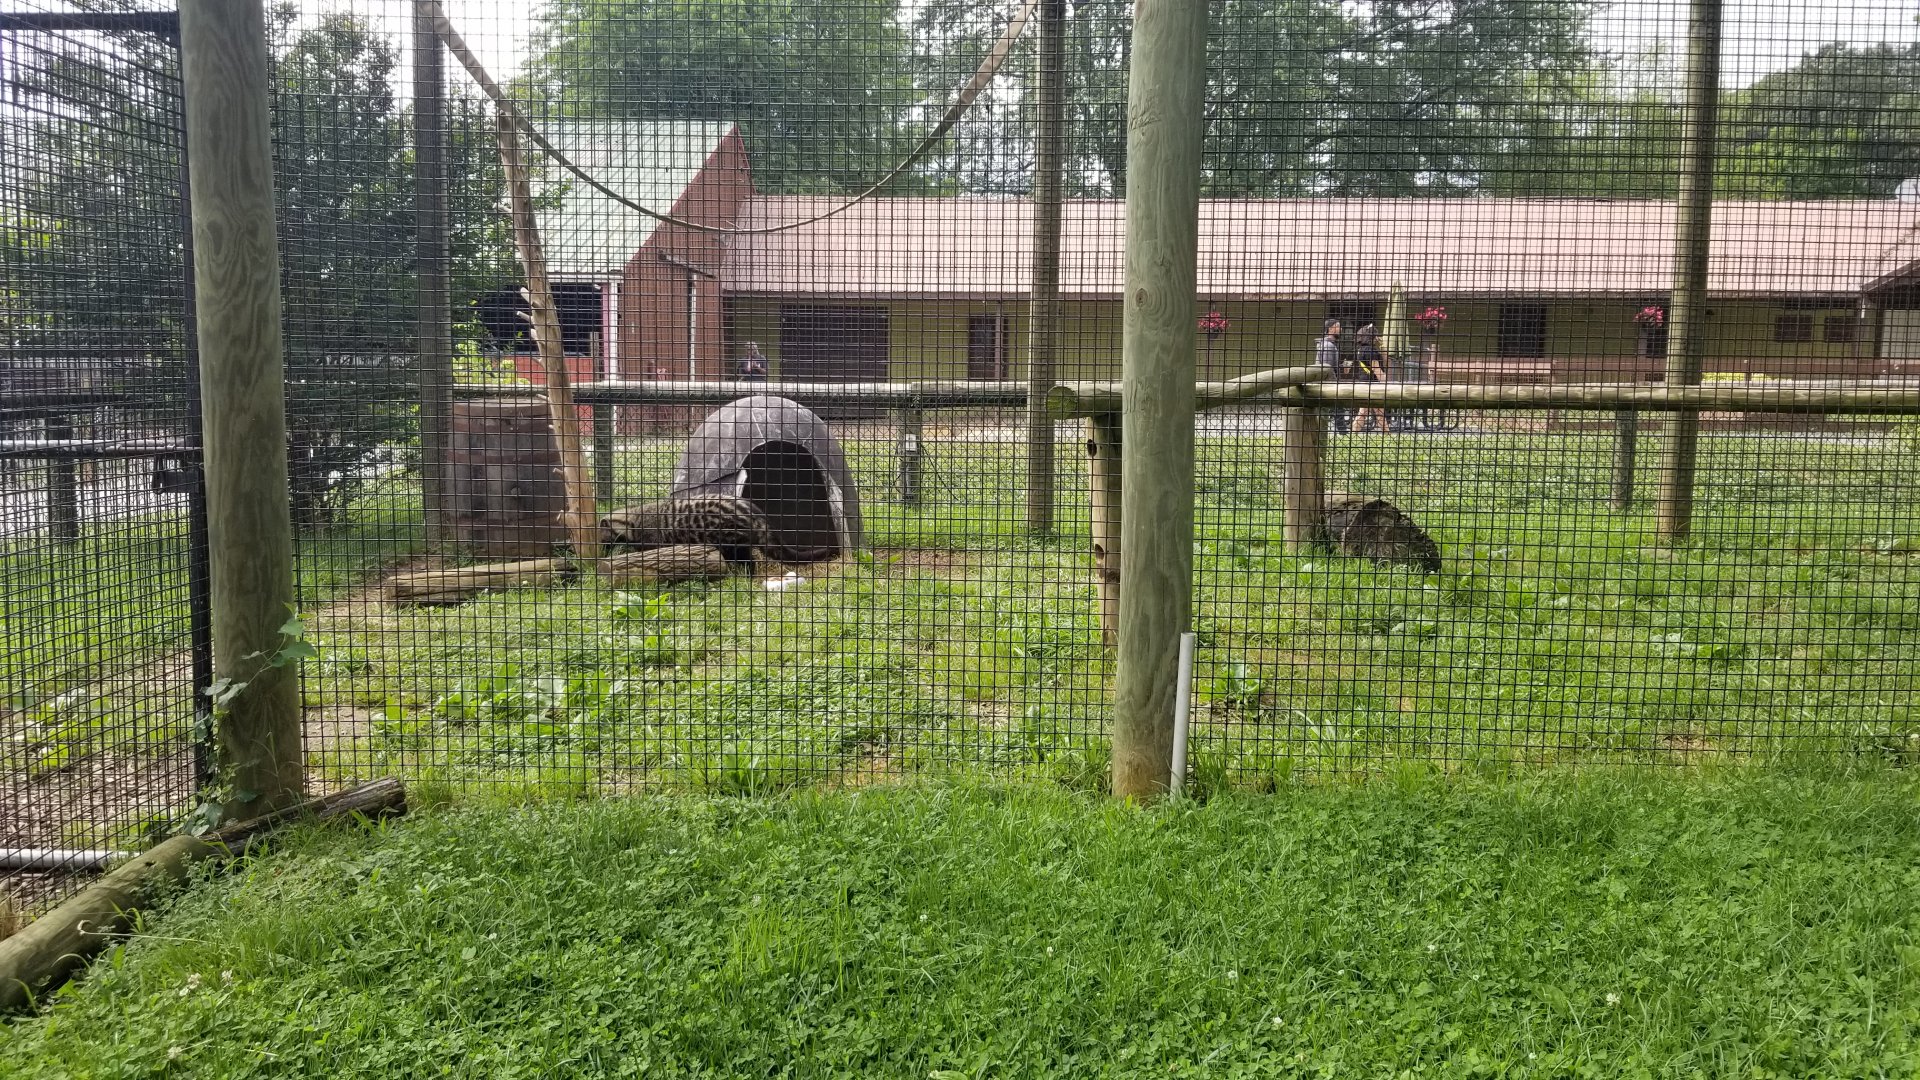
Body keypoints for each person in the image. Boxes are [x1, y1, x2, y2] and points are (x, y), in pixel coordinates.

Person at [1351, 323, 1388, 433]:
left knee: (1363, 412)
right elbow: (1377, 369)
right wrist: (1387, 384)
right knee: (1379, 413)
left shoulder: (1362, 349)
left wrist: (1382, 347)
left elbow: (1384, 362)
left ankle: (1354, 434)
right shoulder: (1370, 350)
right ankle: (1388, 435)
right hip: (1372, 384)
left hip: (1364, 383)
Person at [1314, 319, 1349, 433]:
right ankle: (1343, 432)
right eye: (1338, 326)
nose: (1341, 329)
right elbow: (1327, 368)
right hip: (1328, 384)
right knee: (1337, 409)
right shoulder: (1329, 346)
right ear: (1330, 329)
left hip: (1327, 384)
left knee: (1336, 409)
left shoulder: (1328, 344)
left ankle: (1342, 431)